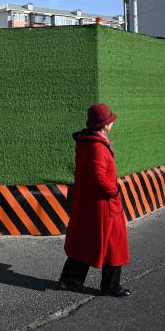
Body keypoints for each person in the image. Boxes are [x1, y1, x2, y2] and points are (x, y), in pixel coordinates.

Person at [58, 103, 131, 298]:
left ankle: (70, 280)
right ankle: (110, 286)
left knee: (87, 240)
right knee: (114, 243)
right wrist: (114, 191)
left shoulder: (88, 141)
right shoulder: (97, 146)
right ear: (105, 125)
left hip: (92, 202)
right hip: (104, 204)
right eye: (111, 121)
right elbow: (98, 177)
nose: (113, 123)